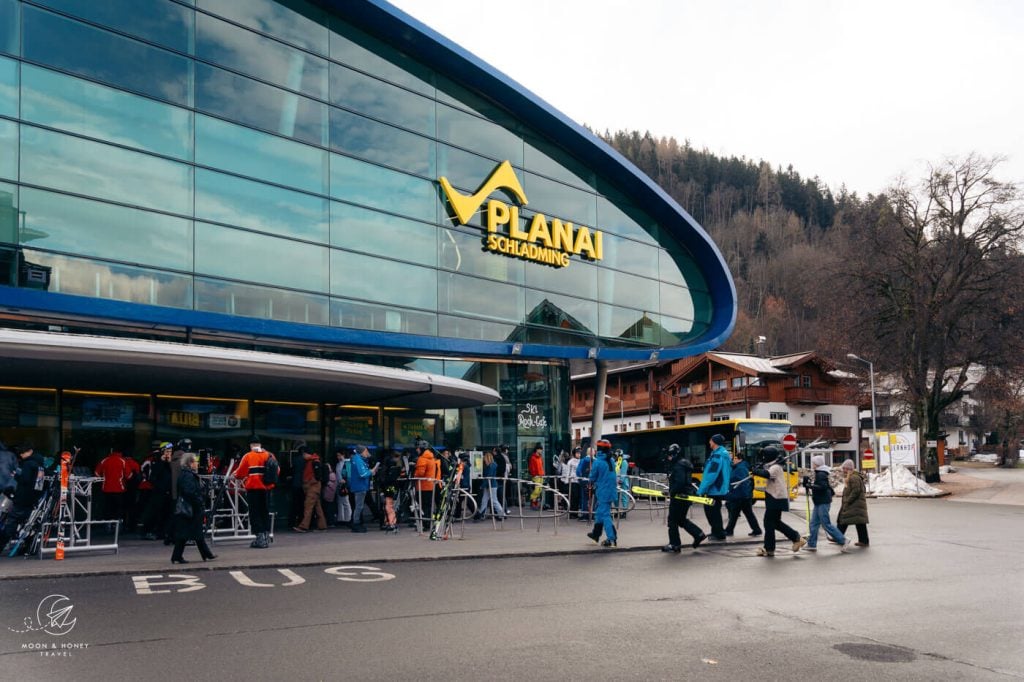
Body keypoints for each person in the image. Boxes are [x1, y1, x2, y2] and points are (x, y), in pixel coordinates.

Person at [752, 446, 805, 557]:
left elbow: (767, 474)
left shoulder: (776, 467)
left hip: (776, 498)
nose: (763, 457)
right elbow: (765, 469)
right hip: (775, 497)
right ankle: (796, 538)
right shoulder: (774, 465)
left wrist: (756, 470)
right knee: (775, 523)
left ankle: (769, 548)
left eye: (764, 456)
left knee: (768, 522)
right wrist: (759, 464)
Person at [170, 453, 216, 564]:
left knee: (191, 532)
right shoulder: (188, 475)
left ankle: (204, 554)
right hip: (191, 508)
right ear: (190, 463)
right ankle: (205, 554)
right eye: (195, 461)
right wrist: (199, 501)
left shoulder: (186, 474)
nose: (197, 463)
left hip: (189, 508)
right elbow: (189, 492)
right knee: (192, 532)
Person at [661, 443, 707, 552]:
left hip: (679, 497)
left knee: (672, 520)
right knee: (681, 519)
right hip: (686, 496)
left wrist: (671, 492)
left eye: (669, 455)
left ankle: (674, 544)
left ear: (674, 455)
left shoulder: (678, 466)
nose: (668, 458)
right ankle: (698, 534)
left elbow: (679, 482)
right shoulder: (684, 463)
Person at [0, 444, 44, 553]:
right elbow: (39, 484)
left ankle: (2, 545)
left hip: (22, 498)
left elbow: (25, 480)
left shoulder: (28, 464)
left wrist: (16, 476)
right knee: (28, 524)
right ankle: (27, 546)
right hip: (33, 499)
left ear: (30, 451)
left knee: (12, 522)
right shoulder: (41, 466)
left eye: (22, 452)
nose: (21, 455)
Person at [232, 437, 275, 549]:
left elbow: (240, 473)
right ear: (260, 444)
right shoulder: (269, 455)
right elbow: (277, 470)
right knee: (264, 512)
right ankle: (266, 536)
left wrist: (235, 475)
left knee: (255, 513)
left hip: (253, 489)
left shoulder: (248, 456)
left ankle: (259, 538)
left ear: (251, 445)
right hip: (266, 489)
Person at [803, 454, 850, 553]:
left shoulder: (821, 474)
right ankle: (812, 544)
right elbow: (823, 486)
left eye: (813, 463)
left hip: (822, 502)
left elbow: (822, 487)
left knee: (826, 524)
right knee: (814, 523)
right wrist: (810, 485)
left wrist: (810, 486)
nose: (812, 464)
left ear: (817, 464)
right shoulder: (820, 472)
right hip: (819, 501)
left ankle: (843, 540)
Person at [696, 434, 731, 541]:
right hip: (718, 488)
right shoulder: (720, 454)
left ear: (714, 442)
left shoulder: (717, 456)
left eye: (710, 440)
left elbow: (711, 474)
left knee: (712, 512)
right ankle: (716, 532)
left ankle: (719, 533)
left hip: (714, 489)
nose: (709, 442)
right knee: (714, 511)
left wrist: (701, 489)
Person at [586, 439, 618, 547]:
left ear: (598, 449)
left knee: (605, 515)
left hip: (603, 491)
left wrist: (589, 478)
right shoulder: (611, 461)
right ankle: (596, 534)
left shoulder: (598, 462)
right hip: (610, 491)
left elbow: (592, 477)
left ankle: (611, 538)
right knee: (600, 513)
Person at [139, 443, 173, 540]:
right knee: (153, 512)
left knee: (166, 512)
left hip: (168, 491)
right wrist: (162, 461)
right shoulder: (156, 461)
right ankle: (147, 531)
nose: (168, 454)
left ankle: (162, 532)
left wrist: (170, 463)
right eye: (167, 452)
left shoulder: (171, 462)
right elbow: (152, 476)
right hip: (157, 491)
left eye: (170, 452)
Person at [724, 451, 762, 537]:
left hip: (739, 495)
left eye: (735, 458)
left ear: (740, 459)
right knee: (747, 514)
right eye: (733, 458)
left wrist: (742, 494)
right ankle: (757, 530)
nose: (733, 460)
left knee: (734, 514)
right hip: (742, 495)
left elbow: (743, 482)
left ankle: (729, 530)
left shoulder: (741, 468)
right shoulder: (739, 466)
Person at [94, 449, 132, 530]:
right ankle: (117, 524)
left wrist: (103, 478)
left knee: (108, 507)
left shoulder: (104, 460)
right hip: (119, 489)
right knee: (118, 508)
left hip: (106, 488)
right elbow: (129, 476)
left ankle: (108, 524)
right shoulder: (122, 461)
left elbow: (96, 473)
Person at [293, 446, 328, 533]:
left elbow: (318, 475)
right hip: (314, 487)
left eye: (304, 454)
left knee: (308, 506)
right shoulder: (313, 461)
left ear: (307, 454)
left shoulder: (314, 462)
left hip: (312, 486)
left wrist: (312, 482)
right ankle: (322, 525)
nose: (303, 456)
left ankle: (304, 526)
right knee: (317, 507)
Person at [837, 459, 869, 547]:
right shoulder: (851, 477)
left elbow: (856, 491)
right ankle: (864, 540)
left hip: (855, 505)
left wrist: (848, 500)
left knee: (844, 519)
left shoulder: (854, 477)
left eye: (844, 468)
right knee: (858, 522)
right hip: (856, 505)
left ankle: (837, 537)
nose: (843, 470)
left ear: (848, 468)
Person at [348, 445, 377, 533]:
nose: (367, 453)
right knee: (359, 507)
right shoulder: (358, 460)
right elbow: (363, 474)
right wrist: (371, 471)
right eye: (365, 451)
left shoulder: (356, 459)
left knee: (358, 506)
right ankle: (356, 524)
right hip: (360, 486)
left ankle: (356, 523)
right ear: (361, 452)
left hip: (358, 486)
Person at [413, 440, 440, 531]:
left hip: (422, 486)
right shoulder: (432, 458)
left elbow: (420, 473)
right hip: (430, 485)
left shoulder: (422, 459)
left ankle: (424, 524)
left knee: (421, 505)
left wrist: (414, 471)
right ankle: (428, 523)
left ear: (421, 449)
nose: (416, 450)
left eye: (417, 448)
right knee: (428, 506)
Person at [474, 450, 506, 521]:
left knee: (492, 500)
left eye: (485, 458)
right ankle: (483, 514)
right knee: (486, 500)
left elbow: (489, 476)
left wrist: (482, 485)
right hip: (491, 485)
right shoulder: (492, 465)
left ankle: (501, 514)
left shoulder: (491, 466)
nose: (484, 460)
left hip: (491, 485)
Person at [378, 449, 403, 533]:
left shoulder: (384, 465)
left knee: (385, 504)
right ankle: (391, 522)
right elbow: (393, 478)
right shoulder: (393, 466)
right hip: (390, 486)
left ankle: (385, 522)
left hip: (385, 486)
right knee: (390, 504)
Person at [334, 449, 352, 527]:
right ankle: (341, 518)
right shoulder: (339, 464)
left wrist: (345, 481)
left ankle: (348, 518)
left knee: (345, 502)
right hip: (339, 484)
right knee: (340, 502)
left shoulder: (347, 462)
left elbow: (349, 474)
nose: (338, 457)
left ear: (343, 455)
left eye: (339, 455)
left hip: (344, 484)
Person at [576, 447, 593, 521]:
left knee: (584, 498)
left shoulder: (583, 460)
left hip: (584, 481)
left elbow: (578, 471)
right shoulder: (596, 461)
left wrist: (580, 479)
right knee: (594, 499)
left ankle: (585, 515)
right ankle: (593, 514)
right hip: (594, 482)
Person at [528, 443, 545, 510]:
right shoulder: (533, 458)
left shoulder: (540, 458)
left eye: (541, 449)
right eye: (540, 449)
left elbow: (541, 466)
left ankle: (535, 503)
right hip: (536, 476)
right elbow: (532, 467)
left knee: (539, 490)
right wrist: (534, 474)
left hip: (541, 475)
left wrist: (543, 474)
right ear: (536, 449)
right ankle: (533, 503)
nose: (541, 451)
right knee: (536, 490)